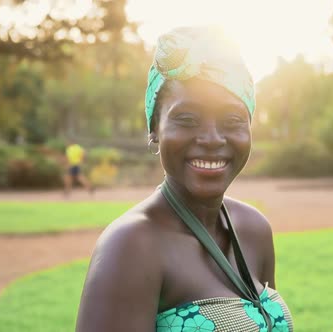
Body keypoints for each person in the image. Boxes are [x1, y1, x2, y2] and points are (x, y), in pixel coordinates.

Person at [76, 26, 294, 332]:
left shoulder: (254, 230)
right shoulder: (132, 245)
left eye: (232, 120)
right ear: (154, 129)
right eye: (187, 119)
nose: (211, 139)